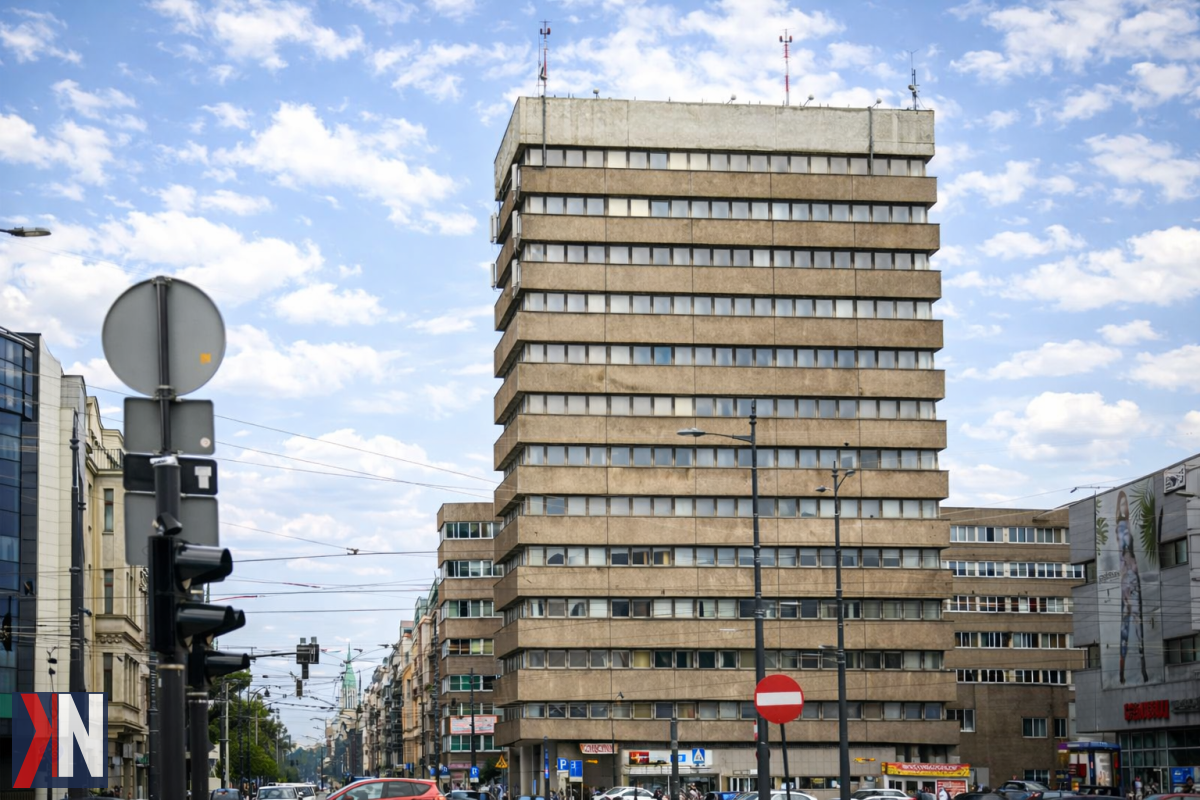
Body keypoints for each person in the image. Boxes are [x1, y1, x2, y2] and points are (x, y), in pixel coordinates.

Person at [1117, 491, 1151, 684]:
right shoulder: (1121, 527)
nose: (1124, 507)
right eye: (1121, 504)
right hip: (1127, 584)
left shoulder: (1128, 526)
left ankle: (1142, 670)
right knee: (1126, 629)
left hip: (1133, 582)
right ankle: (1124, 672)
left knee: (1137, 627)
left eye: (1125, 504)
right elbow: (1124, 556)